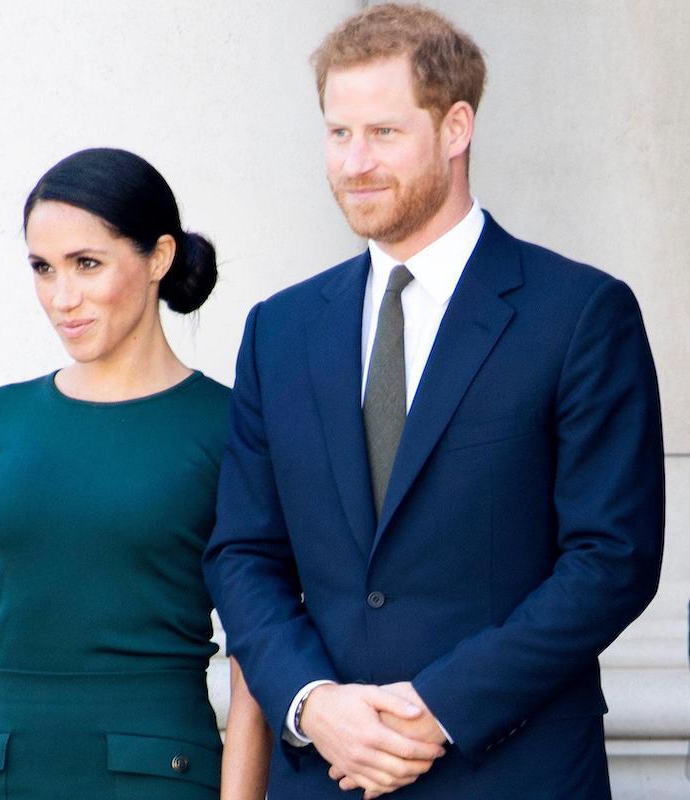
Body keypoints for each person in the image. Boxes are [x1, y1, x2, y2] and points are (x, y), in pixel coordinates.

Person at [203, 5, 664, 800]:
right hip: (325, 773)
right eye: (338, 133)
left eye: (382, 133)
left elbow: (611, 558)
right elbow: (242, 553)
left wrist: (438, 707)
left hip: (513, 773)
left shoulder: (579, 313)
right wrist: (314, 705)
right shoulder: (277, 330)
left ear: (455, 129)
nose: (354, 163)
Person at [0, 147, 271, 800]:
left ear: (158, 257)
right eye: (43, 269)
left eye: (86, 265)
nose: (62, 298)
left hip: (156, 775)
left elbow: (251, 669)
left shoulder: (229, 426)